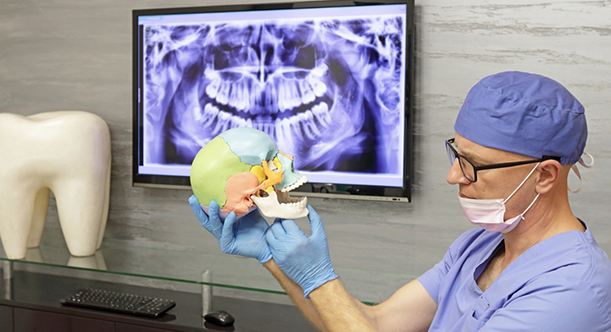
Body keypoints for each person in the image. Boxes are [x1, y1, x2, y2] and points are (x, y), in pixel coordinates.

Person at [189, 71, 611, 331]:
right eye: (456, 155)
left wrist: (320, 277)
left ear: (545, 175)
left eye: (473, 166)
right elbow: (374, 324)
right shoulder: (477, 248)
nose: (452, 176)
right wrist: (275, 259)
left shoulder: (574, 290)